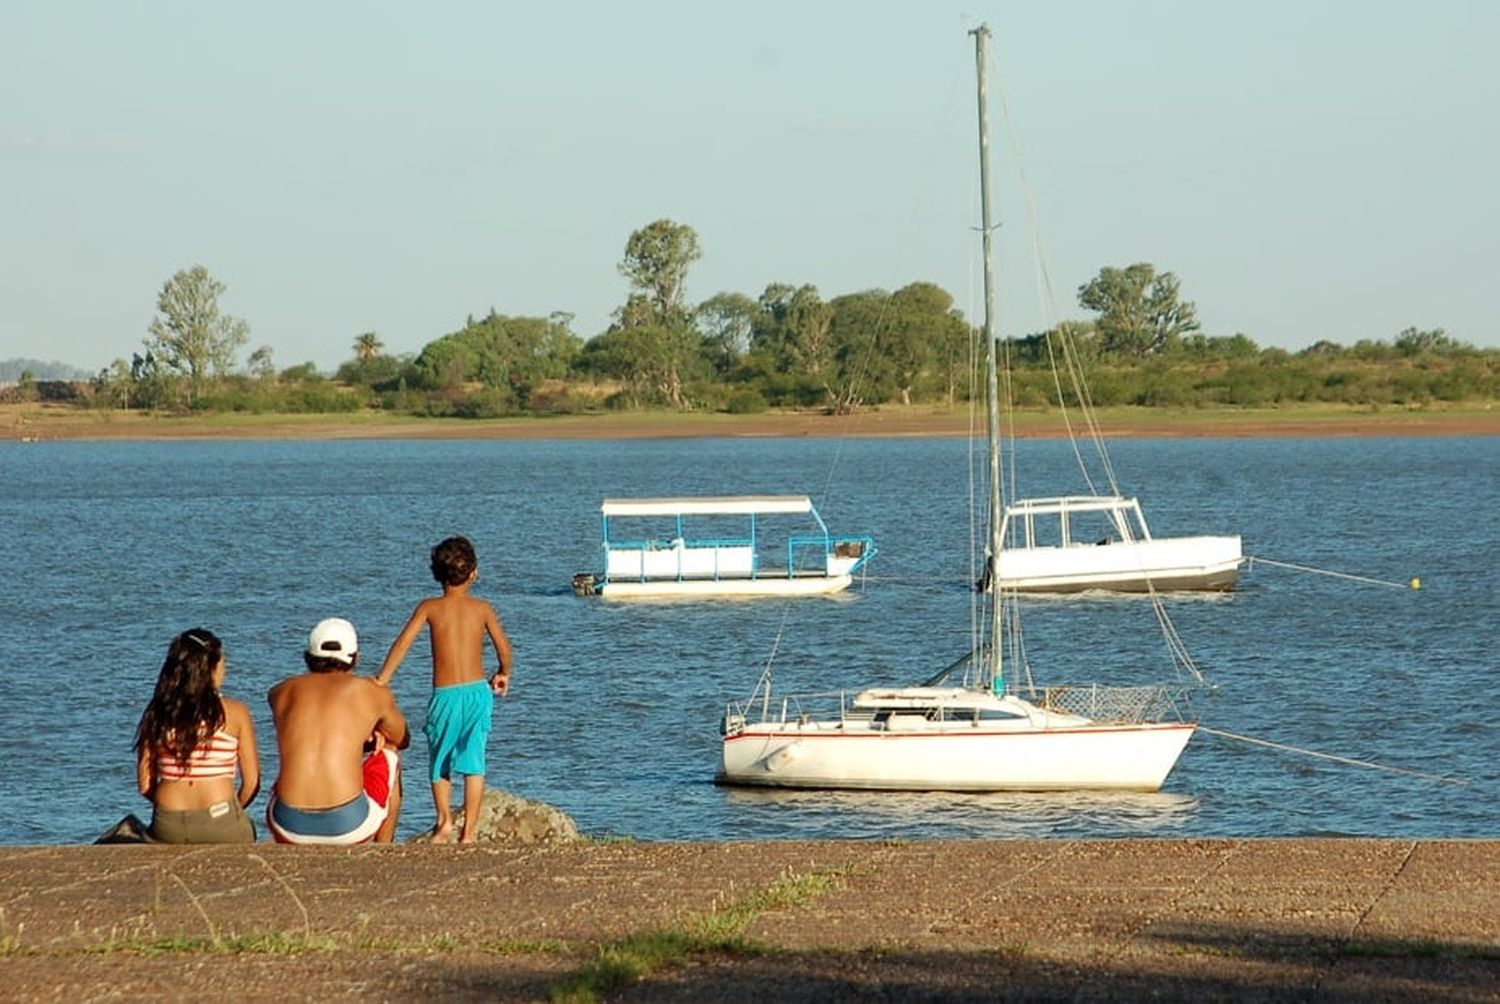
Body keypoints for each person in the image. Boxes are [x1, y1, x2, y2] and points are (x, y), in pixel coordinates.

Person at [376, 535, 514, 844]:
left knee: (440, 760)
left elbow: (403, 644)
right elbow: (504, 648)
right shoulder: (483, 609)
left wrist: (382, 678)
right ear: (474, 573)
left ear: (436, 574)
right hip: (479, 692)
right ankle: (470, 833)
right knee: (474, 762)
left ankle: (444, 822)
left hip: (446, 694)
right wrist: (503, 673)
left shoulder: (429, 608)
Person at [266, 618, 410, 844]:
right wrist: (371, 734)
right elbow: (402, 738)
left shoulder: (279, 692)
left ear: (308, 657)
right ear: (355, 658)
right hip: (347, 825)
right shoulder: (371, 691)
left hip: (286, 824)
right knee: (390, 751)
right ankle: (384, 849)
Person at [133, 629, 260, 843]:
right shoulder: (235, 712)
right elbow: (252, 783)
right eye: (223, 663)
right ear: (211, 668)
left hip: (168, 821)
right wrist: (232, 811)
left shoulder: (158, 712)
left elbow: (145, 783)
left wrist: (170, 808)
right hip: (221, 818)